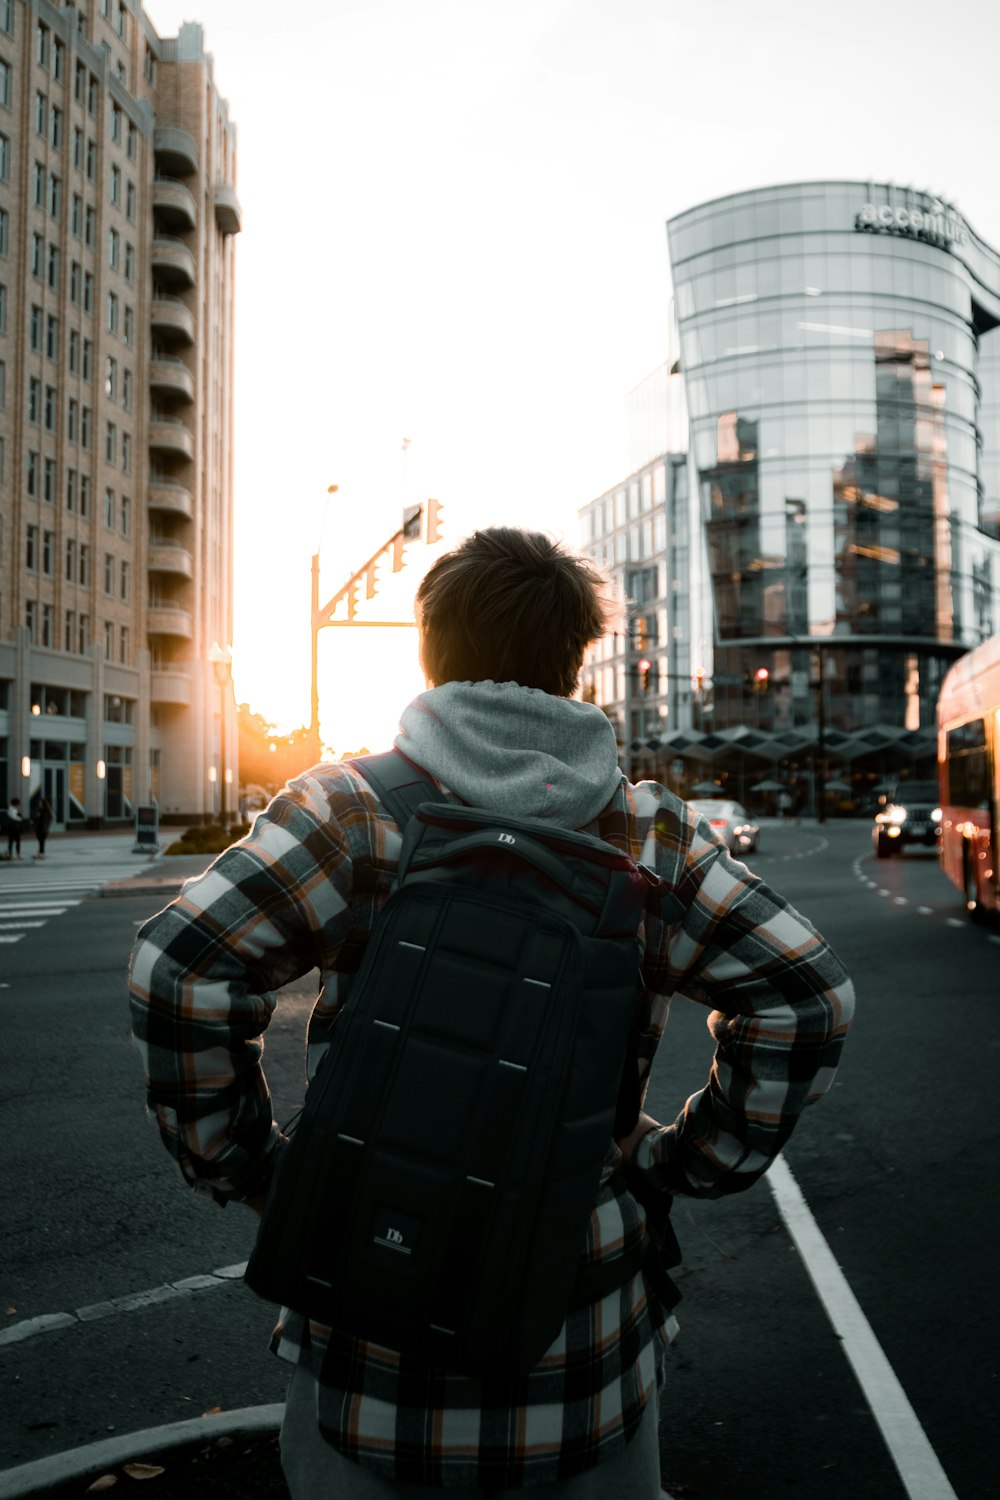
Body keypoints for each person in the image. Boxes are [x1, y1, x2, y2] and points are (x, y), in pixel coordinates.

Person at [129, 527, 855, 1499]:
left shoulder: (352, 810)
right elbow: (805, 994)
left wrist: (253, 1169)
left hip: (368, 1312)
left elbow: (180, 967)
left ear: (430, 651)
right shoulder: (647, 833)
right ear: (576, 661)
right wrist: (681, 1160)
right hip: (577, 1323)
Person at [30, 789, 53, 859]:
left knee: (42, 842)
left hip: (43, 829)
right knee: (40, 841)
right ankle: (40, 853)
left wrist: (46, 824)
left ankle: (41, 853)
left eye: (40, 803)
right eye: (39, 803)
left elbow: (50, 818)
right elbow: (33, 816)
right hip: (38, 828)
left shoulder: (47, 812)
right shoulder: (38, 810)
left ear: (43, 804)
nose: (39, 804)